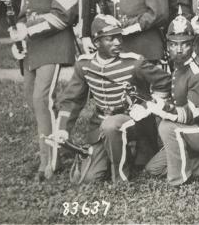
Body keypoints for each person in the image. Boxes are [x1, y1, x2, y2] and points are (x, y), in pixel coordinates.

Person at [52, 15, 171, 183]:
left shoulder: (134, 63)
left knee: (111, 125)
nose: (118, 42)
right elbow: (72, 100)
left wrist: (148, 106)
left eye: (119, 37)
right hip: (101, 124)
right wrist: (63, 128)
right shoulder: (84, 65)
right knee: (89, 178)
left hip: (134, 122)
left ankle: (121, 180)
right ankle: (116, 154)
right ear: (96, 42)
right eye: (110, 39)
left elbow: (165, 81)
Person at [9, 0, 80, 181]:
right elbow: (23, 16)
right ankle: (52, 149)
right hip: (34, 49)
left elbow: (63, 17)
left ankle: (50, 163)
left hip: (53, 45)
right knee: (33, 100)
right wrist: (19, 38)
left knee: (43, 99)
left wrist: (30, 29)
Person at [143, 12, 199, 185]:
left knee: (167, 127)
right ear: (168, 45)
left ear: (194, 45)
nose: (179, 49)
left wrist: (161, 108)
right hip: (192, 129)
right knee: (153, 169)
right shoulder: (180, 65)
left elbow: (191, 115)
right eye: (174, 45)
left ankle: (179, 178)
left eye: (185, 44)